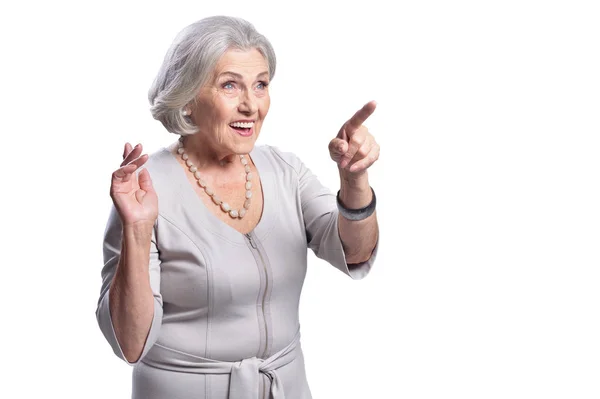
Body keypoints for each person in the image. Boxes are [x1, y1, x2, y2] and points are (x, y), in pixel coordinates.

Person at [95, 15, 380, 399]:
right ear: (189, 99)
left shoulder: (285, 171)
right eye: (230, 85)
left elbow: (355, 250)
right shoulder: (145, 192)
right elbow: (130, 343)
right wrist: (138, 229)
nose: (251, 105)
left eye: (260, 85)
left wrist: (354, 180)